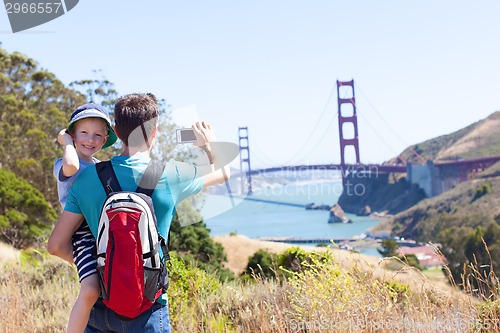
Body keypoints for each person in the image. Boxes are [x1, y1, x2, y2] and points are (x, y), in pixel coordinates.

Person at [48, 93, 230, 332]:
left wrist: (99, 264)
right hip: (149, 307)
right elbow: (223, 173)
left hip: (100, 305)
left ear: (115, 131)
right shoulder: (171, 174)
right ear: (154, 132)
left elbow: (56, 246)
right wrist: (209, 145)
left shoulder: (86, 178)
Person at [52, 103, 118, 333]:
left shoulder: (101, 166)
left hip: (101, 230)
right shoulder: (63, 163)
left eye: (98, 135)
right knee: (90, 289)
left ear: (105, 139)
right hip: (81, 232)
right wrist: (67, 143)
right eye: (83, 133)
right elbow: (72, 166)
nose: (90, 139)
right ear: (72, 135)